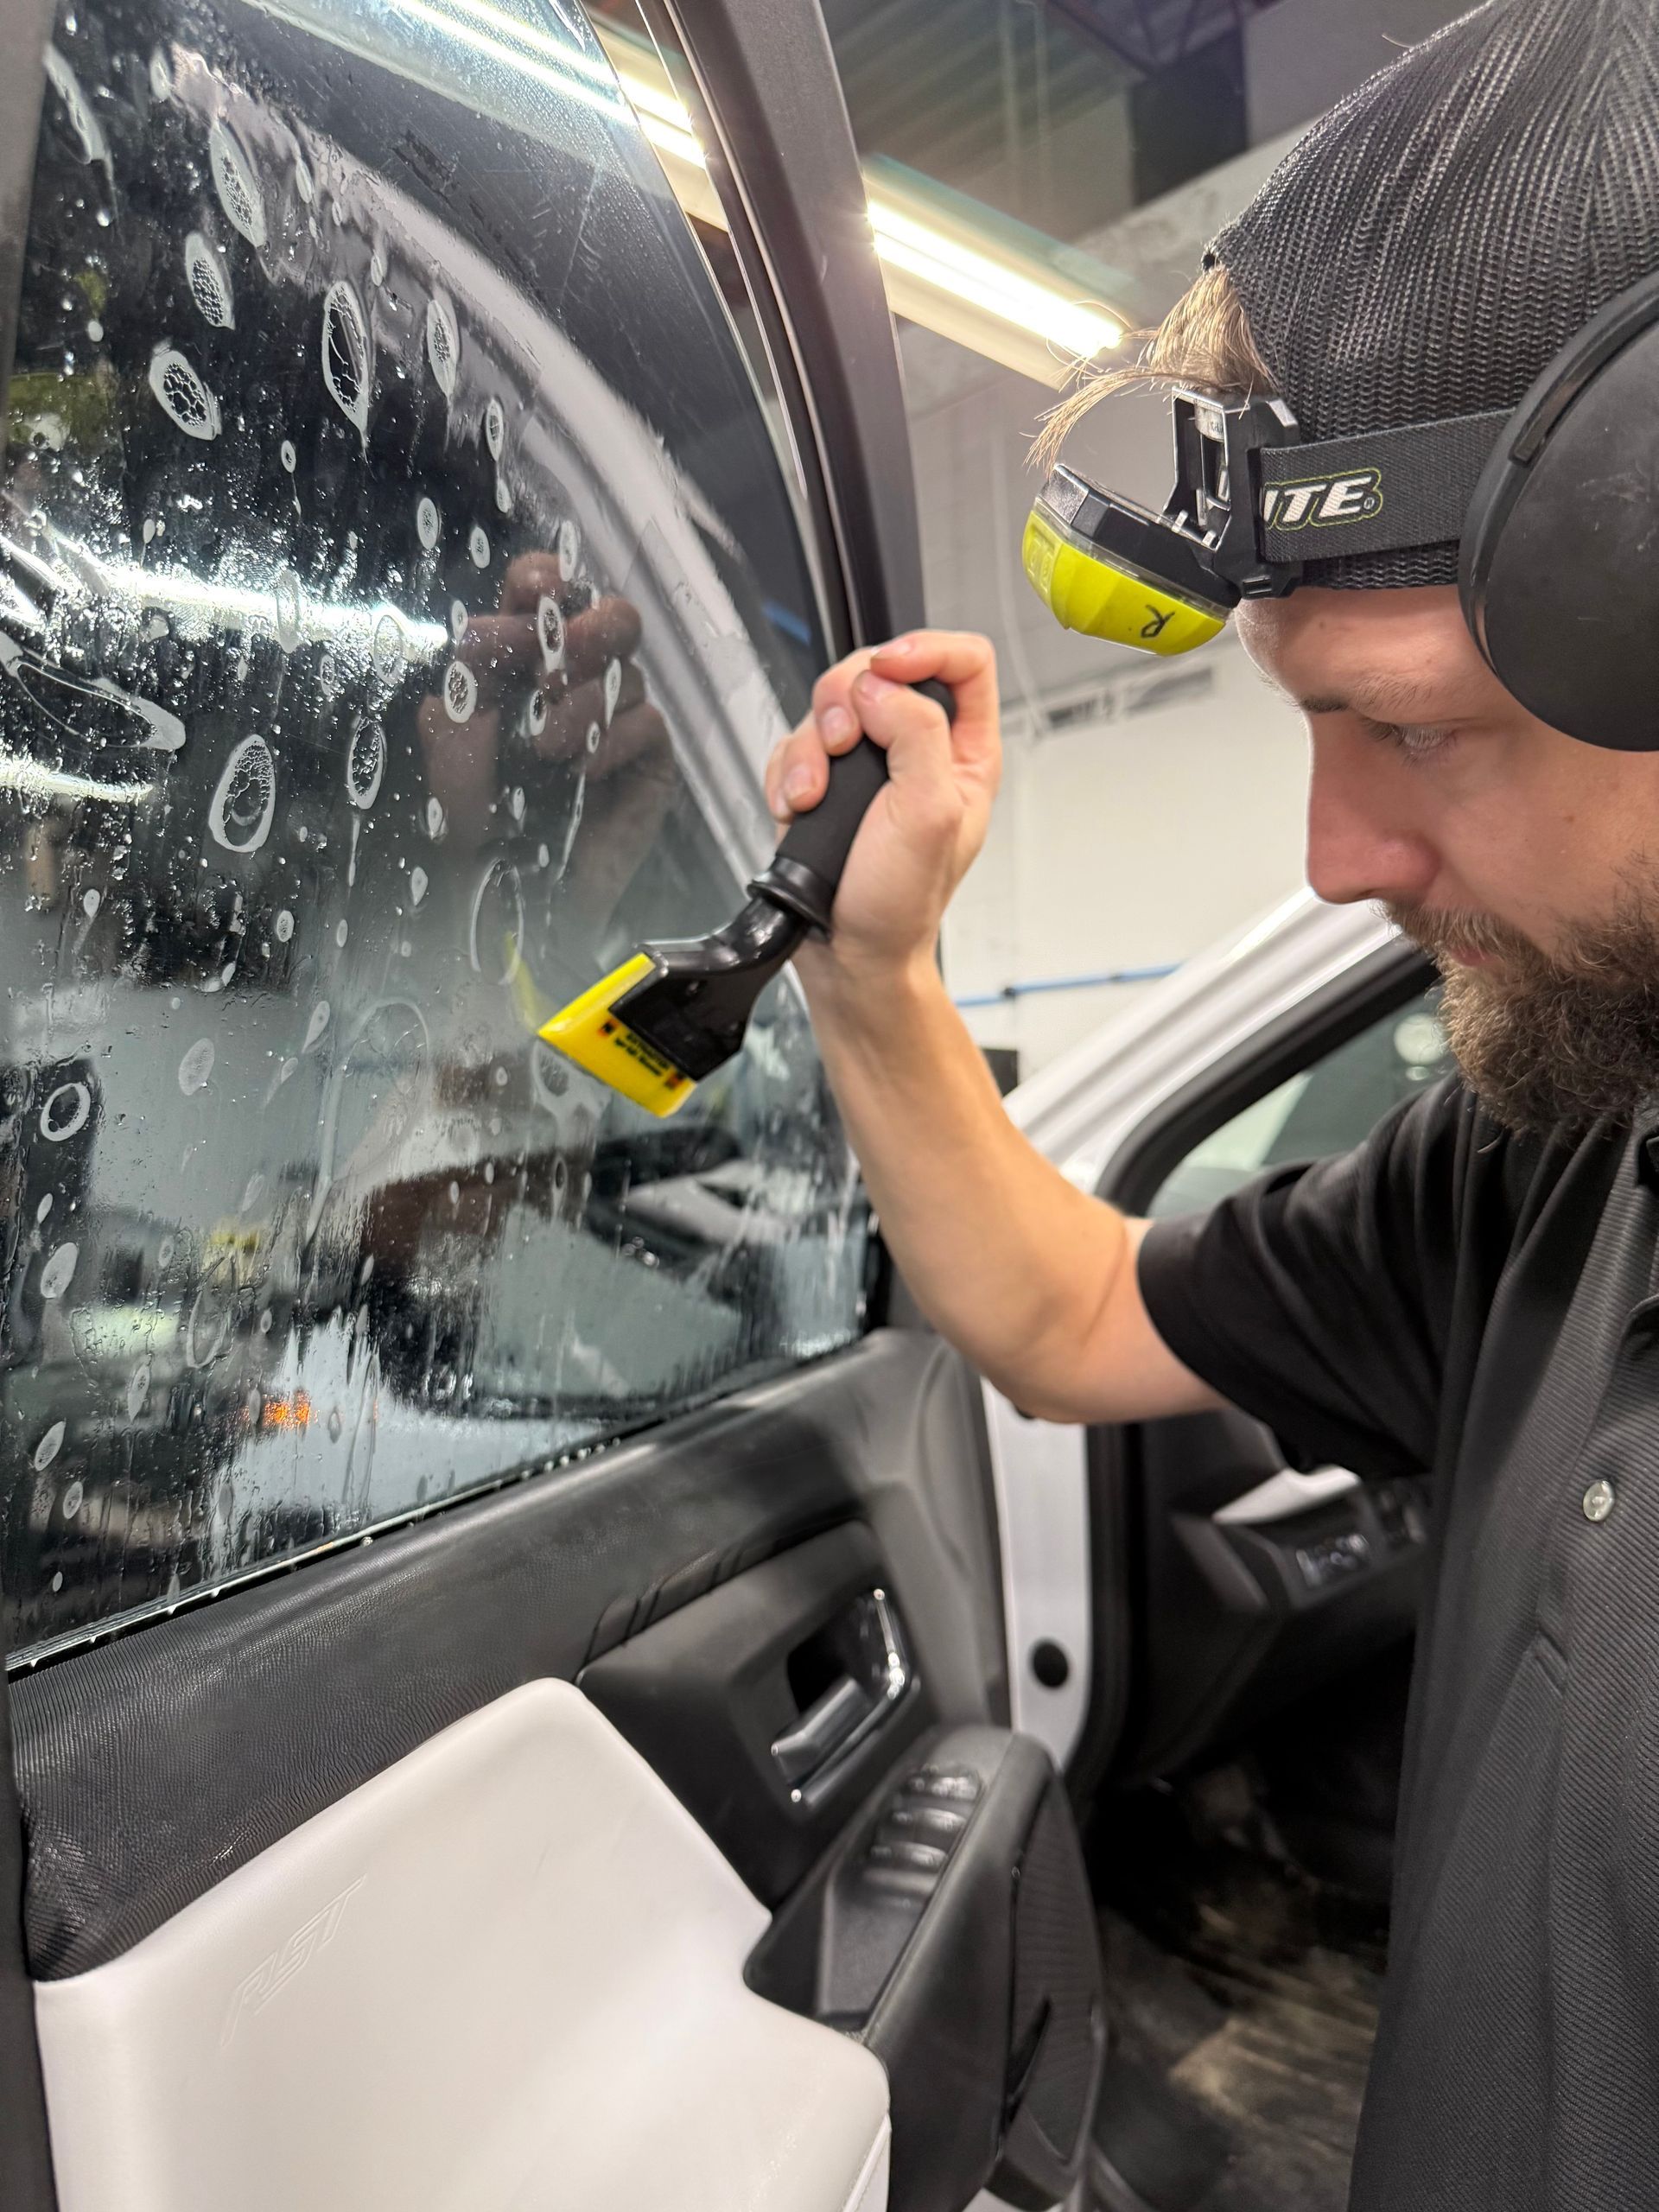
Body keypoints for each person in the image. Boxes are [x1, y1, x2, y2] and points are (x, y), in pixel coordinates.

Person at [767, 1, 1659, 2205]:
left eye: (1421, 731)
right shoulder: (1564, 1156)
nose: (1335, 857)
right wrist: (878, 977)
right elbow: (1070, 1314)